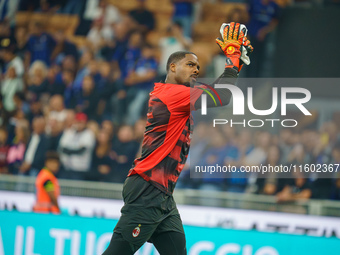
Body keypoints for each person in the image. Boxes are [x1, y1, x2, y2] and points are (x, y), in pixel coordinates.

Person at [102, 22, 253, 255]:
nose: (196, 69)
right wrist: (232, 58)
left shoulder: (174, 93)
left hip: (162, 194)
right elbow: (222, 95)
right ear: (172, 67)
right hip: (148, 189)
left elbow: (217, 89)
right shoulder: (175, 94)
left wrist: (236, 64)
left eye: (198, 66)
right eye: (190, 64)